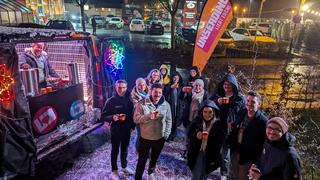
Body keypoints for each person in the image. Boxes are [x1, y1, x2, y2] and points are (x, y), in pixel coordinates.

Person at [209, 73, 245, 180]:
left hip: (230, 130)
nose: (227, 86)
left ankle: (223, 173)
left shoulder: (239, 98)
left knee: (225, 154)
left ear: (234, 85)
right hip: (217, 128)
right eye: (225, 84)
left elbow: (242, 113)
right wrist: (217, 102)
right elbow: (207, 104)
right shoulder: (218, 95)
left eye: (229, 84)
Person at [134, 83, 172, 180]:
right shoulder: (141, 103)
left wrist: (166, 135)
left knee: (154, 158)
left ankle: (150, 173)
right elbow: (136, 119)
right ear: (150, 91)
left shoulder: (166, 105)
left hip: (159, 138)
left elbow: (169, 120)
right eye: (155, 92)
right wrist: (148, 116)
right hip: (145, 138)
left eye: (160, 92)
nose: (157, 94)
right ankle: (138, 177)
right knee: (142, 160)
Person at [101, 80, 135, 179]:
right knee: (115, 150)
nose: (121, 90)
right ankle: (114, 170)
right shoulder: (111, 100)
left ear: (126, 87)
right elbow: (103, 116)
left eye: (124, 87)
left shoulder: (129, 99)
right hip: (116, 129)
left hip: (127, 129)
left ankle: (124, 167)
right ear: (116, 87)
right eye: (119, 88)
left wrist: (132, 126)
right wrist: (112, 117)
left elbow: (132, 114)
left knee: (124, 149)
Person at [229, 91, 268, 180]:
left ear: (259, 104)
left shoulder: (263, 122)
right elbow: (235, 129)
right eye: (248, 101)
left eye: (253, 102)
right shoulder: (242, 113)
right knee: (233, 176)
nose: (249, 104)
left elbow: (262, 145)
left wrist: (256, 163)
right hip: (236, 152)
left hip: (248, 159)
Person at [187, 100, 224, 180]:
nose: (207, 114)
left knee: (204, 174)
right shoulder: (197, 121)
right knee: (196, 174)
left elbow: (220, 141)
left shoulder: (217, 124)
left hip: (210, 154)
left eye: (210, 112)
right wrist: (196, 135)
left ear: (214, 112)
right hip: (198, 152)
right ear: (202, 112)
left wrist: (211, 138)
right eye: (205, 112)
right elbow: (189, 133)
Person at [131, 78, 149, 152]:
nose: (142, 86)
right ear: (136, 85)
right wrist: (146, 101)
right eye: (139, 85)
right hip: (139, 117)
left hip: (148, 116)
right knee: (140, 134)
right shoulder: (133, 95)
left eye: (143, 84)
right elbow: (136, 106)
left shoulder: (149, 92)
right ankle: (138, 149)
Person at [165, 72, 184, 141]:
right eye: (174, 78)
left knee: (176, 120)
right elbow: (165, 95)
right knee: (170, 120)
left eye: (177, 78)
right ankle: (168, 135)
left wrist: (185, 91)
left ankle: (174, 134)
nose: (176, 79)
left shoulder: (181, 86)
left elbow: (182, 97)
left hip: (178, 106)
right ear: (172, 78)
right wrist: (171, 87)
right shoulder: (168, 85)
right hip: (170, 106)